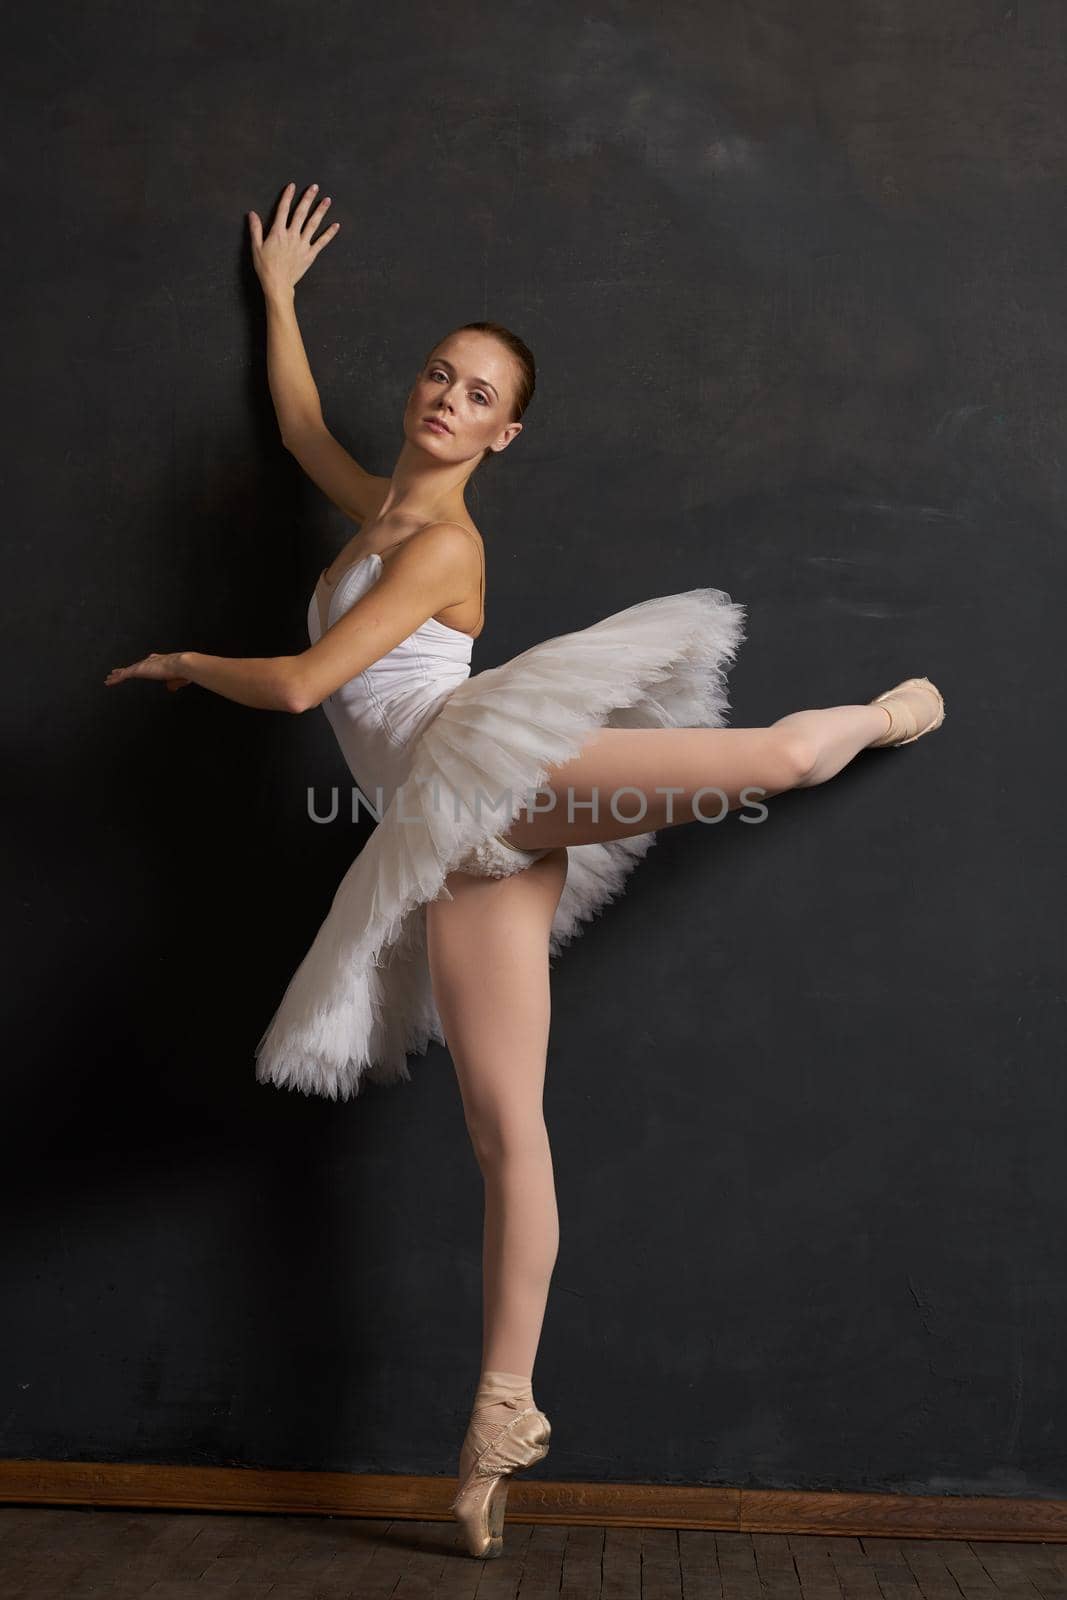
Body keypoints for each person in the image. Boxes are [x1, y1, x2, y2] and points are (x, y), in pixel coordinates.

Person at [105, 180, 946, 1559]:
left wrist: (189, 662)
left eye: (477, 391)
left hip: (496, 772)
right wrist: (278, 298)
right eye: (440, 372)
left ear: (507, 432)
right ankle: (502, 1411)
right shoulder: (376, 506)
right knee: (504, 1132)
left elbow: (310, 676)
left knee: (775, 768)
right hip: (449, 839)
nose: (445, 395)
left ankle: (877, 714)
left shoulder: (440, 545)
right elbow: (305, 422)